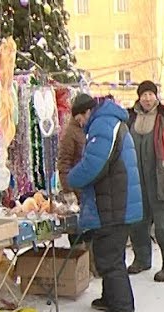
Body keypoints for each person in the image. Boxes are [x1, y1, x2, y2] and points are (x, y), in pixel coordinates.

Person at [67, 97, 143, 312]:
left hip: (114, 204)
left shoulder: (103, 124)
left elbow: (94, 164)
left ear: (87, 111)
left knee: (110, 257)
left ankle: (121, 307)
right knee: (106, 253)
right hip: (114, 202)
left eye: (79, 118)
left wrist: (71, 178)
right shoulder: (108, 122)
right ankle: (110, 297)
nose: (80, 123)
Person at [125, 80, 164, 282]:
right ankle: (142, 259)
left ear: (156, 96)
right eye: (143, 94)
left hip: (161, 180)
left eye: (150, 94)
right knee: (138, 223)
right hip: (136, 181)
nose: (147, 98)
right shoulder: (130, 118)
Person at [57, 94, 99, 276]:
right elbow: (64, 163)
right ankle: (79, 271)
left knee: (91, 231)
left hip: (90, 190)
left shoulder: (91, 129)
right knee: (78, 233)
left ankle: (91, 267)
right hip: (77, 190)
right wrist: (67, 190)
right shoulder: (70, 133)